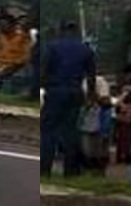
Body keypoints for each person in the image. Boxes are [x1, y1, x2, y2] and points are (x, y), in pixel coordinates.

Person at [40, 20, 96, 178]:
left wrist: (44, 86)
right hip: (75, 91)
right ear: (76, 31)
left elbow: (44, 69)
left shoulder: (53, 46)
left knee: (48, 131)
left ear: (61, 29)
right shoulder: (86, 49)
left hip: (56, 90)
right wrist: (91, 96)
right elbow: (91, 76)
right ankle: (71, 171)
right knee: (71, 132)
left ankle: (44, 169)